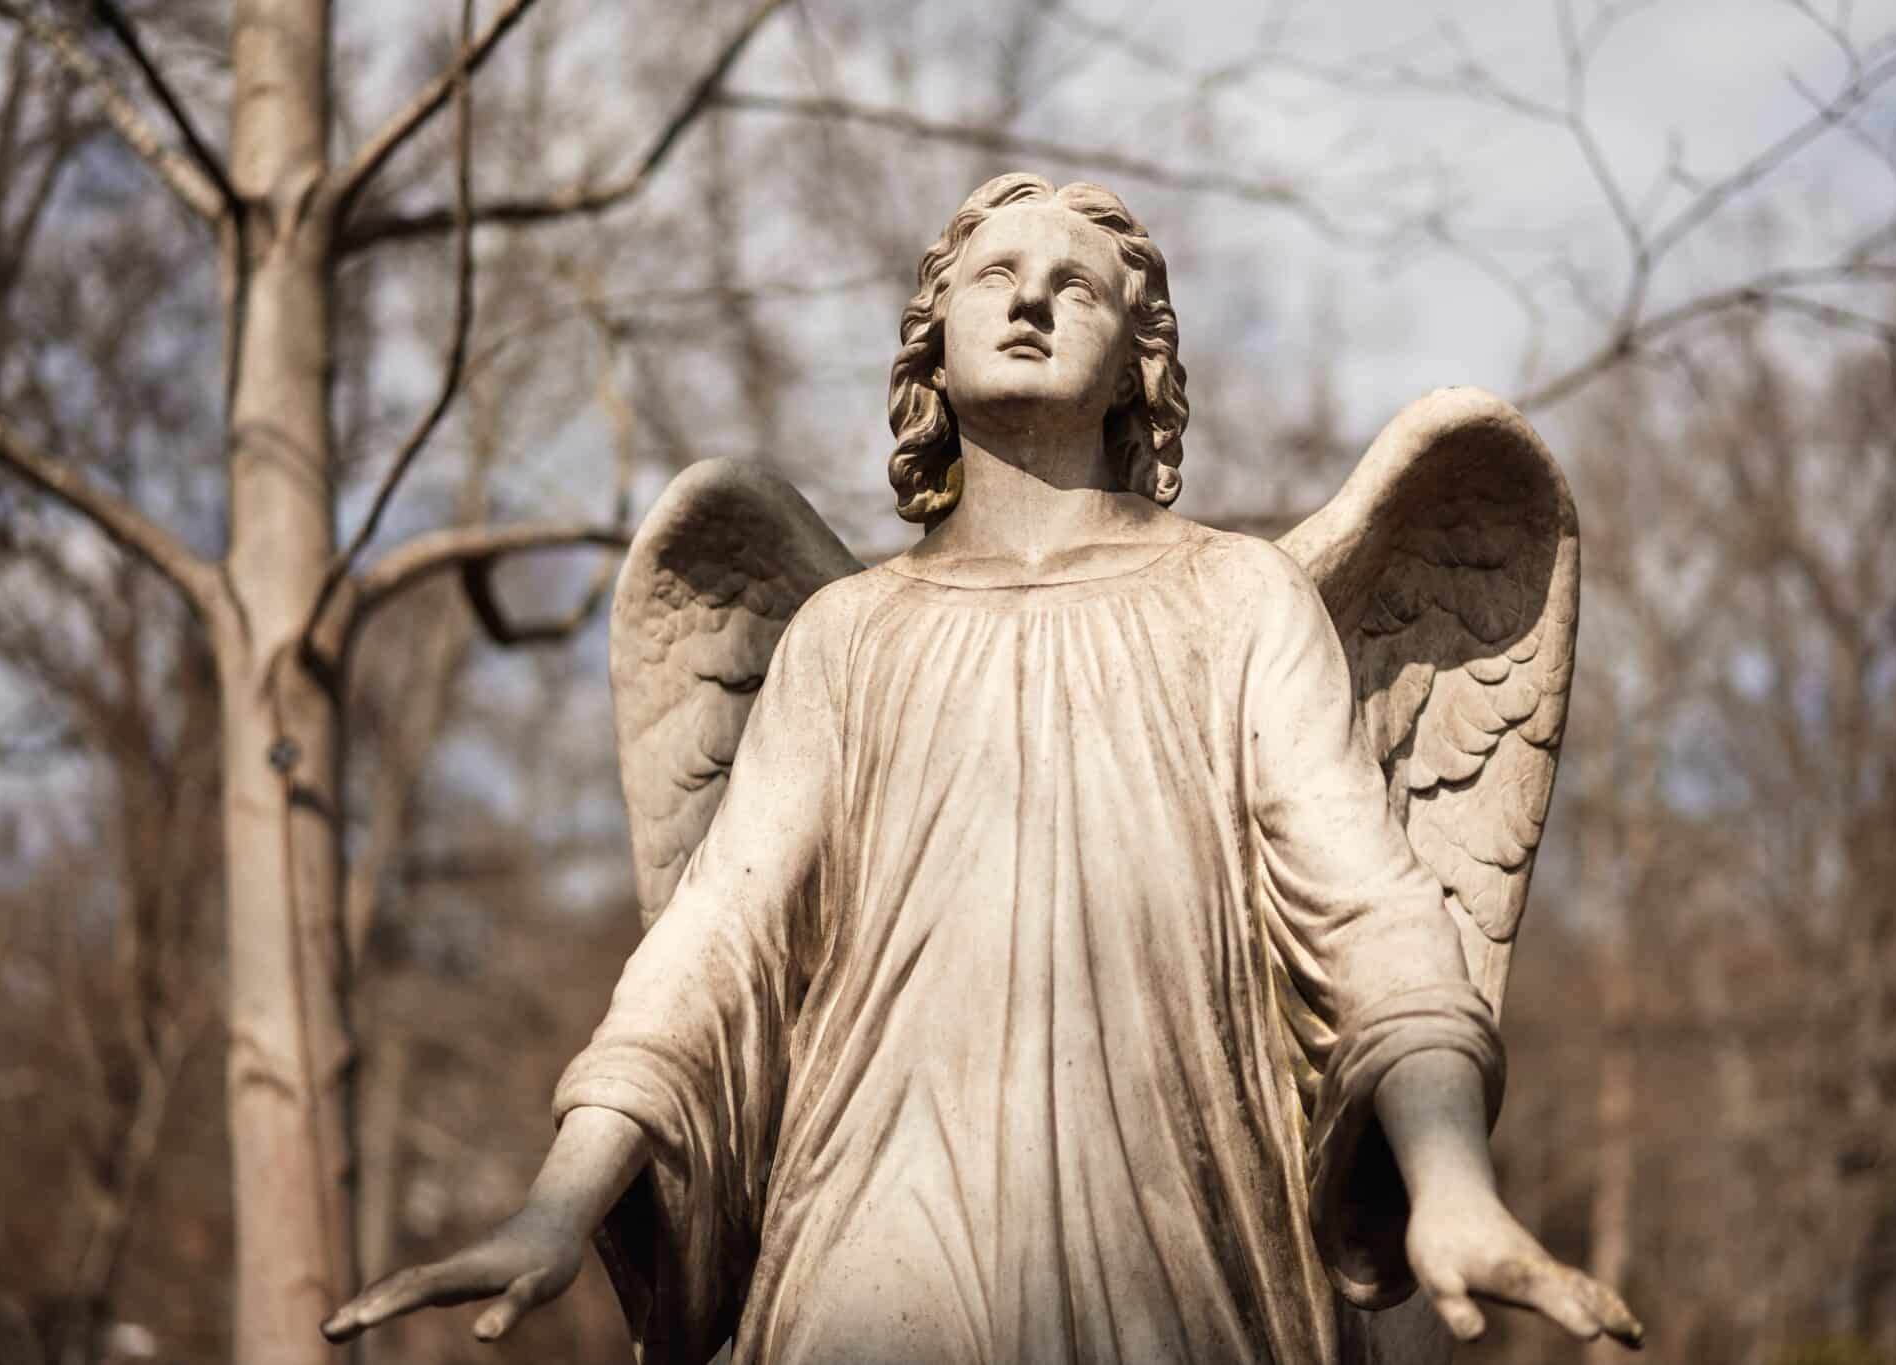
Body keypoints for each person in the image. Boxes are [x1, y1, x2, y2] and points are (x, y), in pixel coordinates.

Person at [322, 174, 1641, 1363]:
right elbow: (718, 941)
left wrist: (1454, 1184)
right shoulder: (847, 634)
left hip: (1171, 1217)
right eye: (992, 277)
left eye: (1078, 285)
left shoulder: (1238, 601)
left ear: (1138, 363)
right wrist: (562, 1199)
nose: (1030, 298)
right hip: (872, 1203)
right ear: (932, 349)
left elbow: (1372, 910)